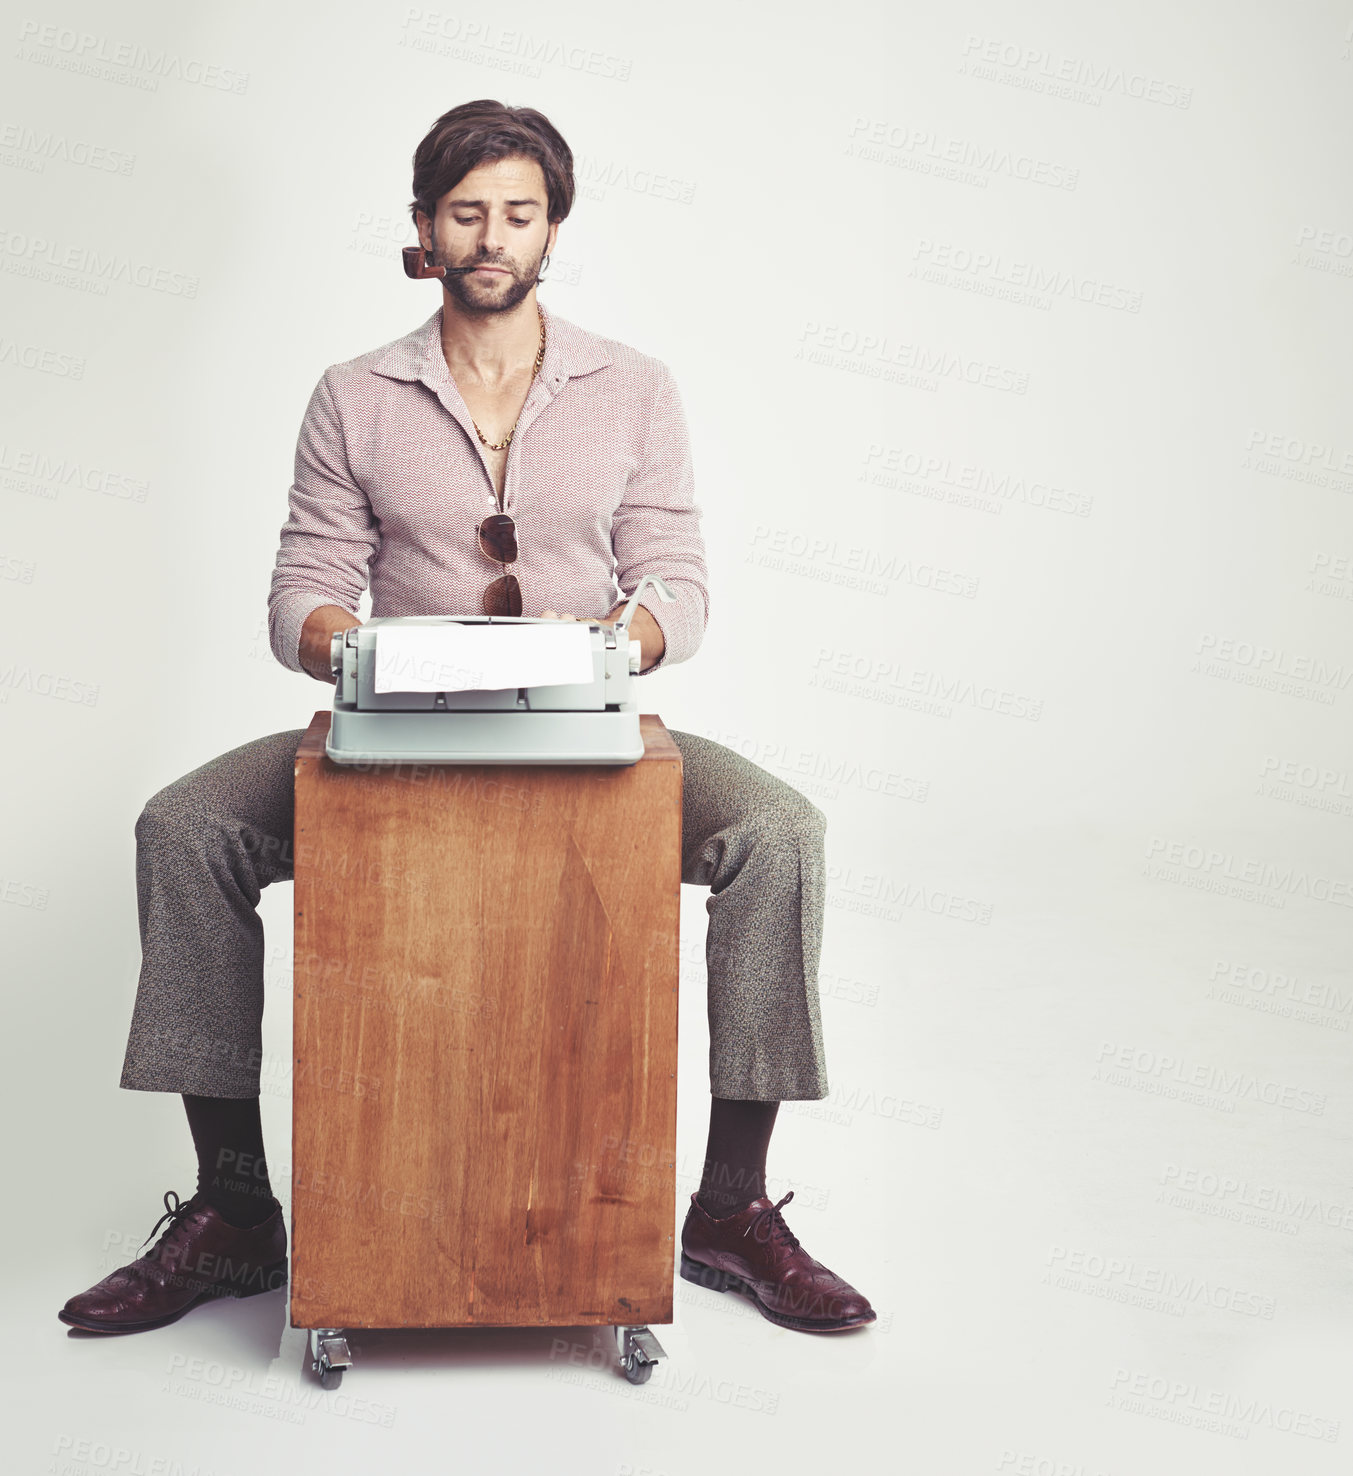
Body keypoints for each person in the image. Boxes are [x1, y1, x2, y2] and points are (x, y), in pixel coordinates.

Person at [59, 99, 875, 1339]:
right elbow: (300, 596)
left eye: (518, 213)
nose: (492, 236)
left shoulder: (637, 388)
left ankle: (729, 1206)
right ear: (424, 229)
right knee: (183, 828)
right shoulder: (353, 394)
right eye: (466, 213)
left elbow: (681, 582)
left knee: (781, 833)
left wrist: (622, 645)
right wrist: (371, 655)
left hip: (586, 725)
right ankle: (233, 1211)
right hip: (396, 728)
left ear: (553, 229)